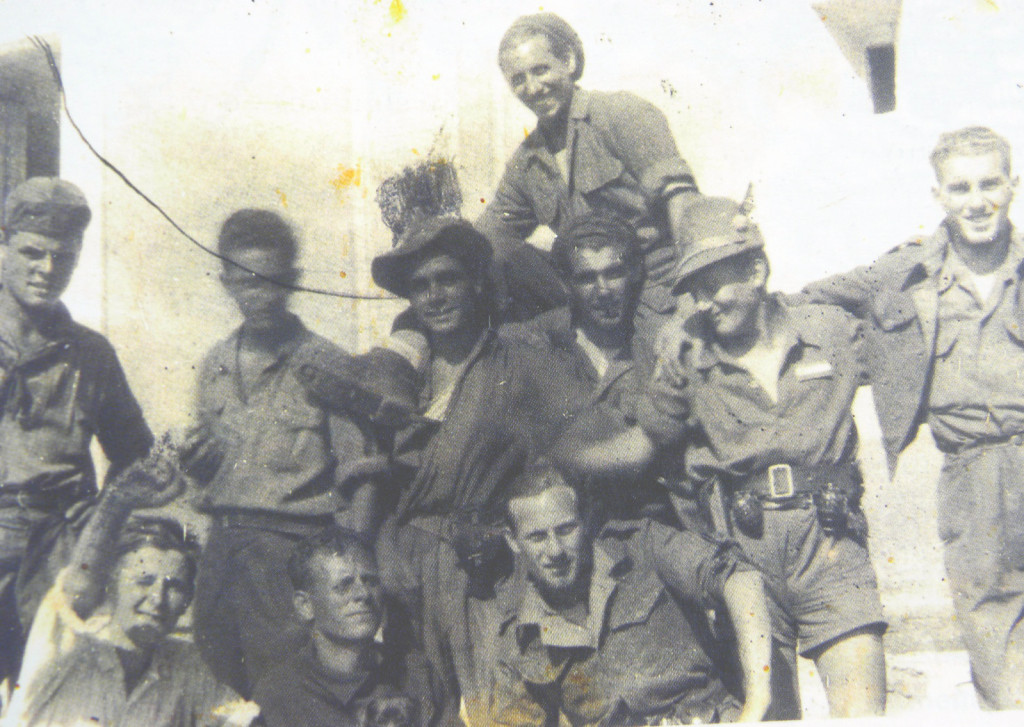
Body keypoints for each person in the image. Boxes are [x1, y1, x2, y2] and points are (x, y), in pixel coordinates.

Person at [554, 196, 888, 718]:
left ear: (756, 270)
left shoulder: (829, 332)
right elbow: (644, 444)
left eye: (715, 286)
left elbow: (893, 288)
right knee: (769, 716)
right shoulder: (688, 357)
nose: (705, 303)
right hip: (746, 551)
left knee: (865, 715)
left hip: (831, 543)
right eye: (694, 292)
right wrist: (568, 459)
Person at [799, 126, 1024, 710]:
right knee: (994, 632)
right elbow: (809, 301)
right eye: (961, 187)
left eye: (990, 184)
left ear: (1014, 186)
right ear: (939, 197)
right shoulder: (903, 276)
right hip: (976, 475)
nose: (977, 200)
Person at [369, 214, 589, 725]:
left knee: (503, 707)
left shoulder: (515, 359)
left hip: (484, 570)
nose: (435, 296)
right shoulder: (401, 375)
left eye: (447, 279)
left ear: (475, 282)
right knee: (420, 708)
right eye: (420, 286)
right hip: (406, 572)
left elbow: (564, 452)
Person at [181, 209, 385, 697]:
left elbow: (363, 476)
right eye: (245, 280)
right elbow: (201, 483)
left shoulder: (327, 363)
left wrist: (341, 573)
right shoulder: (214, 366)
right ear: (225, 281)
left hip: (289, 555)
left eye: (272, 280)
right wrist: (196, 468)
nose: (259, 294)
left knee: (289, 693)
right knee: (218, 691)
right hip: (222, 554)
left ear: (291, 281)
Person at [461, 462, 771, 725]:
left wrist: (756, 702)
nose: (554, 550)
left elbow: (740, 578)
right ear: (513, 542)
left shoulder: (642, 548)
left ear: (585, 522)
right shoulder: (519, 639)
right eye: (537, 537)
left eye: (566, 530)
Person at [476, 12, 701, 368]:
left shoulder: (620, 114)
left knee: (668, 374)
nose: (532, 88)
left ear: (568, 61)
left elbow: (684, 204)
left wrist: (693, 300)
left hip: (658, 287)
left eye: (541, 70)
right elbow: (484, 240)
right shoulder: (528, 161)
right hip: (590, 301)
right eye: (518, 79)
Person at [0, 177, 153, 687]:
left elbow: (135, 453)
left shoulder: (91, 355)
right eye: (31, 252)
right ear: (3, 244)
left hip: (57, 556)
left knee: (51, 693)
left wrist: (102, 517)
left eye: (63, 257)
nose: (47, 269)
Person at [2, 446, 256, 726]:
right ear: (112, 585)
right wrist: (116, 503)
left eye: (174, 586)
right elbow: (78, 589)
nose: (157, 598)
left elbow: (241, 718)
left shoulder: (187, 670)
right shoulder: (67, 648)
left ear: (186, 601)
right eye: (143, 580)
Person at [502, 213, 681, 525]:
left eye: (614, 273)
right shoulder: (537, 342)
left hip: (649, 523)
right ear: (565, 283)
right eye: (586, 278)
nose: (603, 290)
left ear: (635, 273)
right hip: (564, 529)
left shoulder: (656, 344)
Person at [252, 528, 421, 727]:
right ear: (306, 606)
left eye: (371, 581)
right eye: (344, 585)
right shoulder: (277, 696)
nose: (363, 594)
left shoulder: (418, 676)